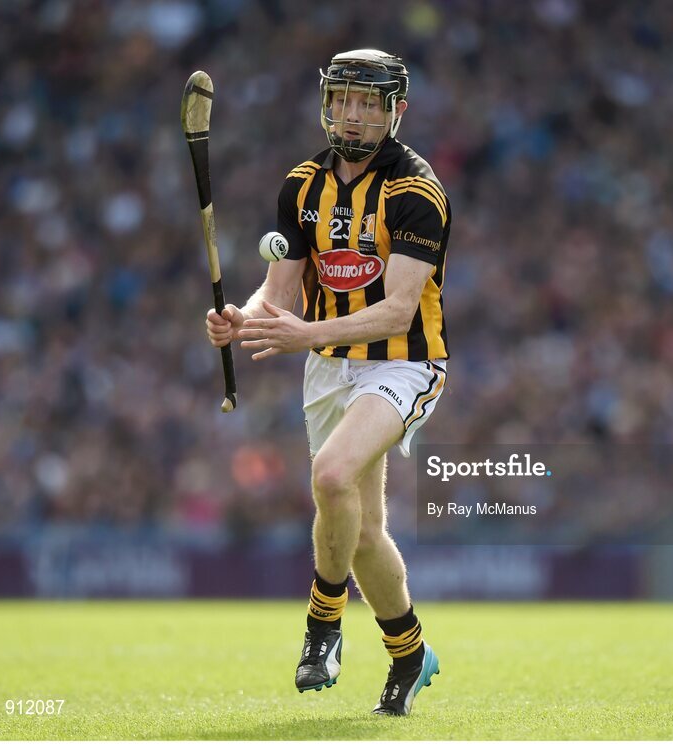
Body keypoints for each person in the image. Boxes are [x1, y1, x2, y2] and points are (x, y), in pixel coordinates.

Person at [205, 49, 449, 716]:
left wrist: (303, 334)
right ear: (327, 102)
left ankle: (322, 627)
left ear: (395, 110)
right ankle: (409, 655)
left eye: (370, 102)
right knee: (363, 532)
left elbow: (399, 308)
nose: (354, 113)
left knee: (332, 476)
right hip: (329, 367)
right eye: (344, 98)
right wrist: (242, 318)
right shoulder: (302, 186)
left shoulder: (416, 192)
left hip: (402, 360)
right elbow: (281, 290)